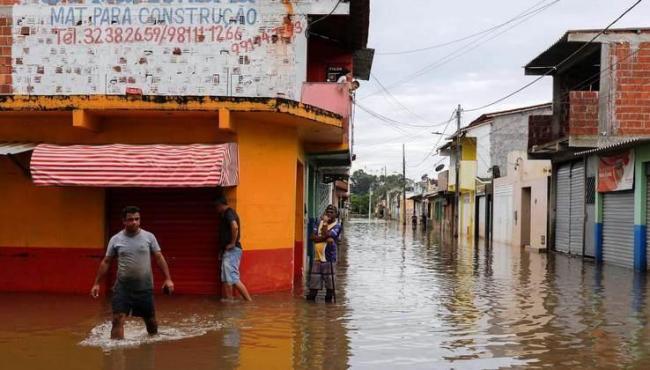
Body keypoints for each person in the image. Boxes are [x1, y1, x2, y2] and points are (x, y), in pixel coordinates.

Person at [90, 206, 174, 340]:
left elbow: (159, 257)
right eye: (130, 220)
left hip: (144, 288)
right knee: (117, 319)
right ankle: (116, 353)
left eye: (137, 219)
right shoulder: (115, 239)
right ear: (123, 221)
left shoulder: (149, 237)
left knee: (151, 322)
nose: (134, 222)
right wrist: (96, 283)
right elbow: (106, 261)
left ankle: (152, 345)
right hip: (122, 288)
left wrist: (168, 279)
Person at [216, 196, 252, 302]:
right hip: (228, 251)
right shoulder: (225, 214)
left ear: (220, 205)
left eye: (216, 206)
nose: (215, 209)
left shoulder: (229, 212)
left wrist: (232, 243)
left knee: (232, 277)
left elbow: (235, 227)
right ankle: (229, 302)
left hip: (233, 250)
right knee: (226, 278)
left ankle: (248, 302)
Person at [306, 205, 342, 303]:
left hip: (329, 259)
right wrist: (325, 238)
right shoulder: (318, 223)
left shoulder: (337, 226)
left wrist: (325, 224)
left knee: (330, 289)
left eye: (331, 212)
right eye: (327, 212)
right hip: (317, 259)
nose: (329, 214)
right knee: (313, 289)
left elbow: (329, 235)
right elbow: (312, 237)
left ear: (336, 215)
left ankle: (329, 312)